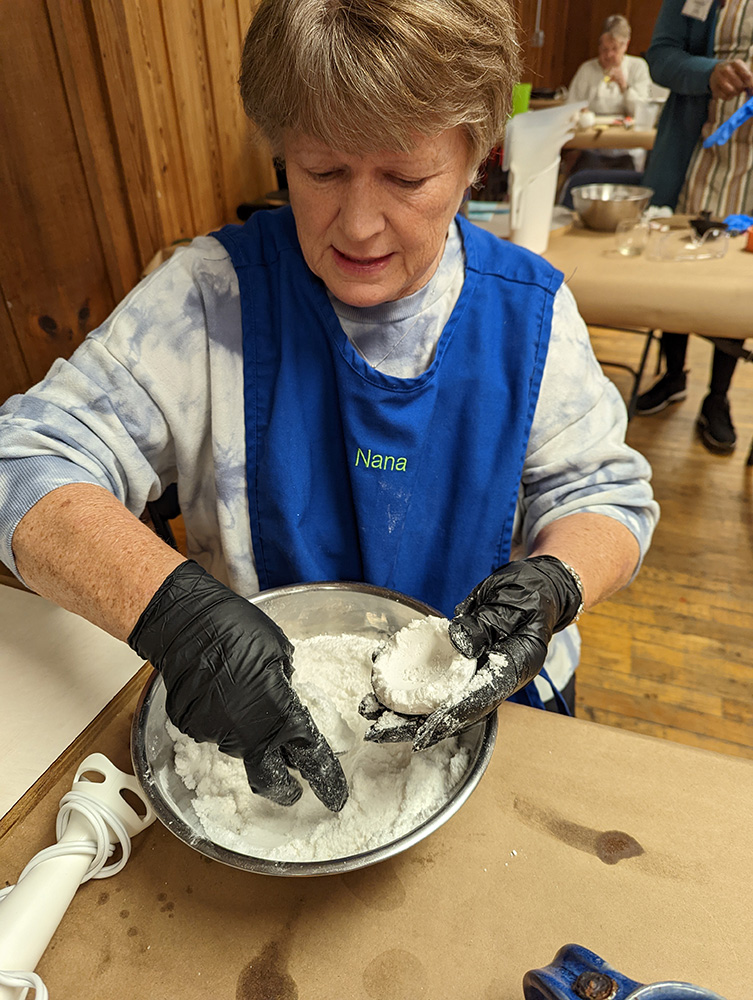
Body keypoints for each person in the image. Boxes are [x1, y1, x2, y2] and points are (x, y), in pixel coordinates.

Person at [0, 0, 658, 810]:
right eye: (320, 171)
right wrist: (170, 612)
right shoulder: (207, 303)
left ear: (477, 153)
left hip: (502, 722)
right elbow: (23, 459)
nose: (358, 225)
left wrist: (557, 580)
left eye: (406, 178)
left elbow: (606, 498)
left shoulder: (527, 315)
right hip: (257, 732)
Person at [638, 0, 753, 453]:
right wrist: (709, 71)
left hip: (748, 166)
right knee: (677, 264)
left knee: (737, 281)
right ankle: (673, 375)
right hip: (694, 150)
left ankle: (718, 398)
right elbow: (661, 56)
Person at [567, 15, 653, 172]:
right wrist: (579, 113)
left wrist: (624, 87)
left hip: (628, 149)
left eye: (614, 49)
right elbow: (570, 109)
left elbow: (642, 113)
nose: (608, 55)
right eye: (604, 49)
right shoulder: (587, 69)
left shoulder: (638, 67)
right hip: (591, 148)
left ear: (626, 45)